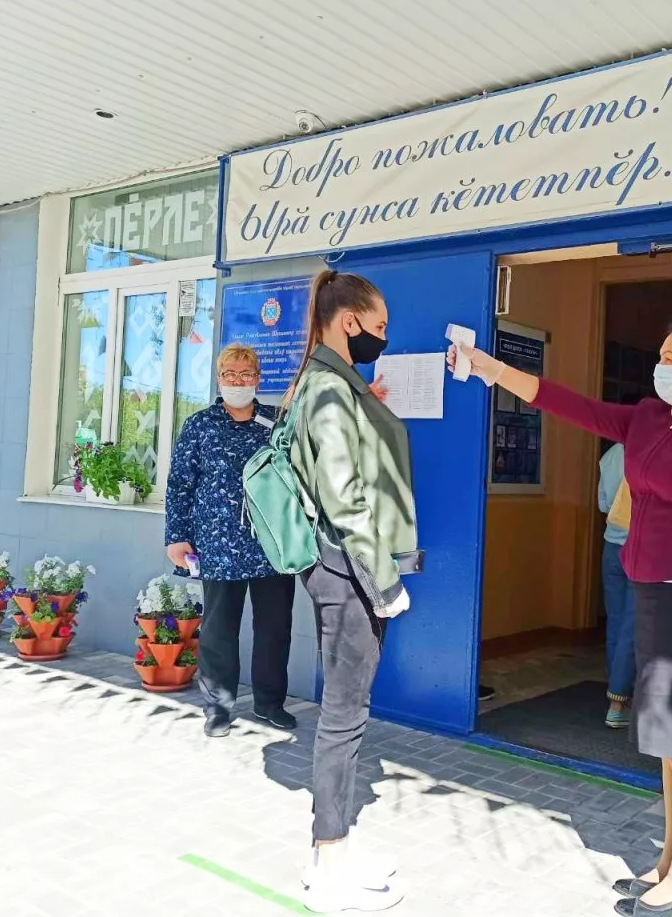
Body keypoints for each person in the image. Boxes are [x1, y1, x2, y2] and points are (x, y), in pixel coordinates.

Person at [450, 319, 672, 917]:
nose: (659, 366)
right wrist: (493, 369)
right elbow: (570, 404)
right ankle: (671, 863)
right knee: (668, 741)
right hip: (649, 594)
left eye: (669, 357)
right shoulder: (648, 419)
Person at [288, 269, 422, 913]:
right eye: (379, 325)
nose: (383, 336)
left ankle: (336, 845)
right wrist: (384, 580)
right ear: (349, 321)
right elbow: (343, 497)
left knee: (349, 711)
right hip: (348, 571)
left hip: (346, 568)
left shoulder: (333, 384)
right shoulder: (328, 390)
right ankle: (329, 862)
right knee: (343, 716)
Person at [165, 343, 297, 738]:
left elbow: (298, 474)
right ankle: (218, 708)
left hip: (271, 543)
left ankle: (270, 703)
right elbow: (180, 484)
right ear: (219, 379)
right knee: (220, 630)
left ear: (258, 379)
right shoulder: (200, 425)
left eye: (246, 374)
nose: (238, 382)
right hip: (218, 545)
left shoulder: (277, 422)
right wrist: (177, 536)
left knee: (274, 627)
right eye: (230, 375)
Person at [598, 440, 635, 730]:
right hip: (640, 549)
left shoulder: (611, 455)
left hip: (612, 547)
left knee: (616, 622)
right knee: (633, 627)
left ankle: (617, 695)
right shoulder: (654, 448)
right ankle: (618, 703)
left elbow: (603, 504)